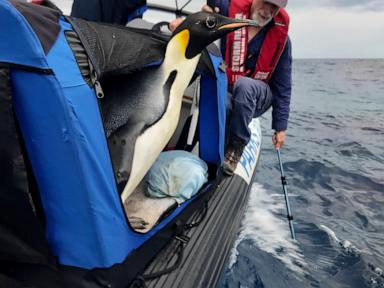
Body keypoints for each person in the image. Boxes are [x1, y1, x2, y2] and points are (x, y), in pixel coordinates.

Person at [170, 0, 292, 176]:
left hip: (259, 94)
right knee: (221, 102)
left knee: (245, 85)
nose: (268, 11)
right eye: (266, 3)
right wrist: (186, 23)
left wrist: (280, 127)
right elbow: (209, 8)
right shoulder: (230, 10)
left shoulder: (282, 39)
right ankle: (208, 152)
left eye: (274, 7)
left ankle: (237, 144)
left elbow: (283, 85)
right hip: (229, 88)